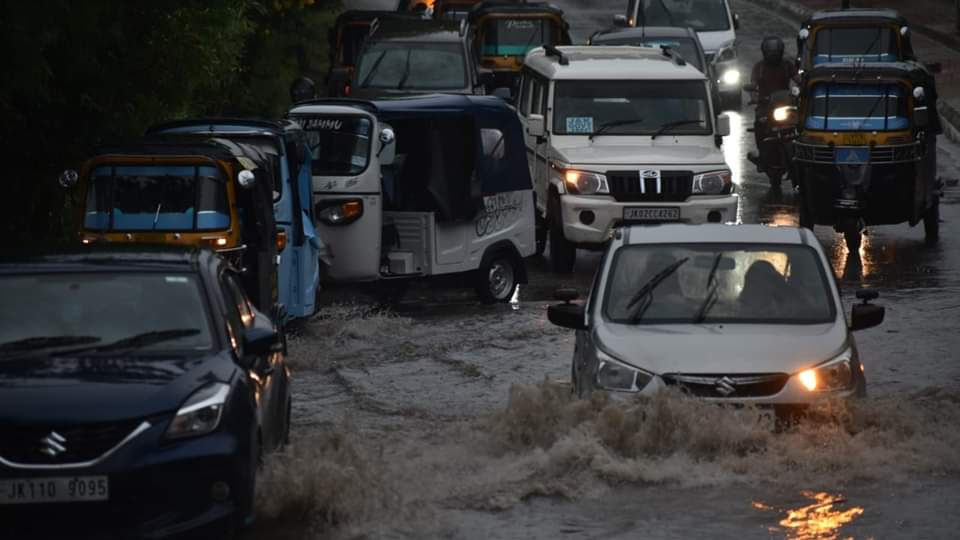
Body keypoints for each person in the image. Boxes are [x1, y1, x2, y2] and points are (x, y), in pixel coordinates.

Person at [747, 37, 797, 170]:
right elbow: (753, 83)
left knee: (800, 123)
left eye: (776, 52)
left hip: (785, 104)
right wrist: (754, 96)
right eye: (770, 53)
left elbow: (798, 79)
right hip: (765, 106)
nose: (773, 56)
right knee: (759, 123)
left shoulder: (787, 65)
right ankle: (762, 155)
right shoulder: (759, 67)